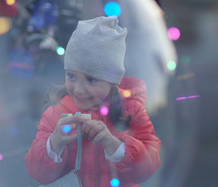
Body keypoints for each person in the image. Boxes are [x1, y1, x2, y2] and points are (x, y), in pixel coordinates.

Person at [25, 16, 161, 187]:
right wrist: (54, 143)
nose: (79, 89)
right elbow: (36, 172)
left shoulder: (132, 111)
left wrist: (113, 144)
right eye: (72, 76)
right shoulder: (56, 113)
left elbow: (148, 167)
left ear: (113, 82)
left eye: (91, 80)